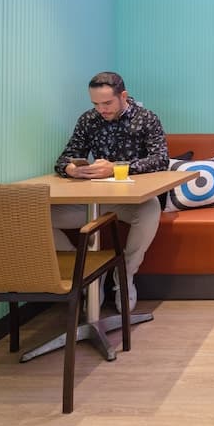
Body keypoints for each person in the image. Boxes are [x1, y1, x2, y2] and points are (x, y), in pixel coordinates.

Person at [52, 71, 169, 313]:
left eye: (107, 103)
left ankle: (125, 274)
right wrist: (71, 169)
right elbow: (65, 158)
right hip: (95, 198)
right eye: (95, 104)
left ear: (123, 96)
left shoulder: (146, 118)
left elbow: (160, 160)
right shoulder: (88, 120)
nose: (101, 110)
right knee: (36, 218)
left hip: (133, 201)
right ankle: (87, 272)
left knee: (151, 209)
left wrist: (115, 168)